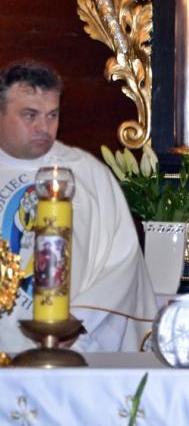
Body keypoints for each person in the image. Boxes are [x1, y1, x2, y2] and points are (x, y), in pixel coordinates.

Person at [0, 61, 157, 352]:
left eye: (52, 115)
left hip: (71, 347)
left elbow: (122, 259)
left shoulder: (86, 174)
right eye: (30, 115)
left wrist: (80, 319)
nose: (44, 128)